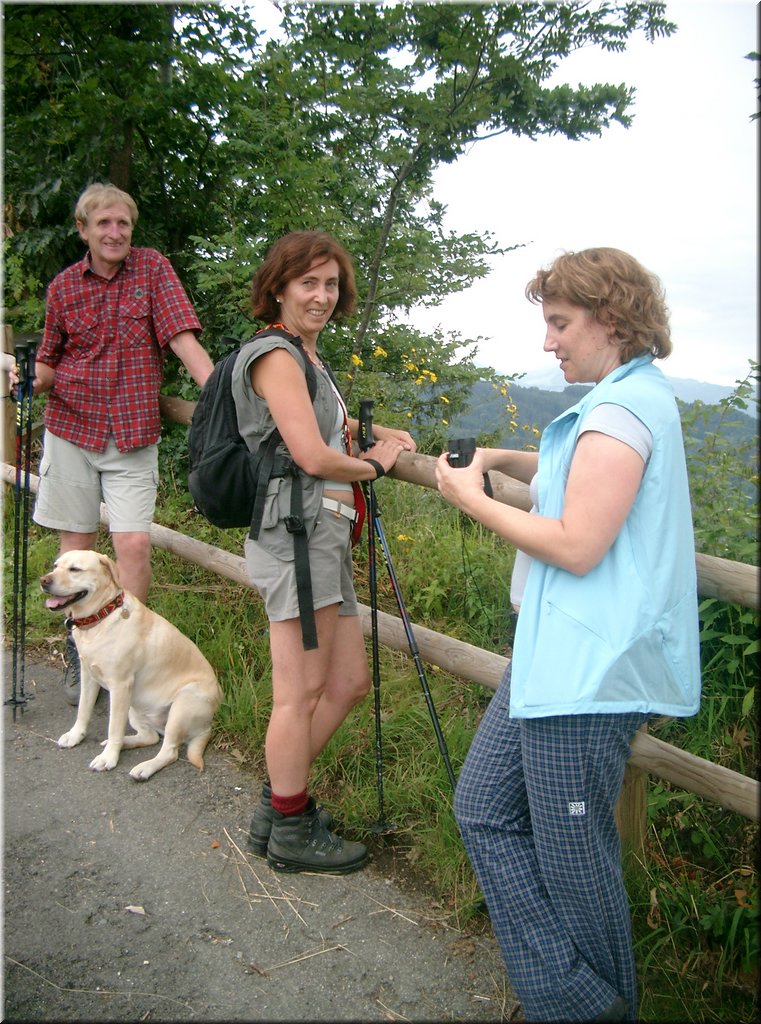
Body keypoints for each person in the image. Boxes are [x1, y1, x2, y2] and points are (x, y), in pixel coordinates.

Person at [435, 248, 700, 1022]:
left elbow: (579, 541)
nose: (548, 342)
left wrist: (466, 497)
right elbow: (575, 471)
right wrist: (495, 456)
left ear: (610, 322)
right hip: (556, 656)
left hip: (590, 668)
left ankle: (590, 1010)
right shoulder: (624, 398)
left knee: (574, 860)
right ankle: (570, 997)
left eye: (558, 324)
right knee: (482, 809)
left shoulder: (621, 410)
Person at [232, 230, 415, 874]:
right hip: (296, 536)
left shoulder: (307, 357)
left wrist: (372, 431)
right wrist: (377, 464)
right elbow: (310, 456)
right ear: (278, 287)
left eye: (331, 284)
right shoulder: (275, 356)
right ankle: (288, 825)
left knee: (347, 681)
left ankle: (276, 804)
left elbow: (315, 427)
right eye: (308, 282)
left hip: (323, 536)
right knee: (301, 690)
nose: (322, 295)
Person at [12, 182, 214, 702]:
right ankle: (88, 661)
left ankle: (128, 654)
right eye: (104, 223)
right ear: (83, 229)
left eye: (123, 223)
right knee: (74, 551)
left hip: (131, 432)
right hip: (71, 429)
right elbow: (50, 364)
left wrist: (220, 398)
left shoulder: (152, 269)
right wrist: (23, 379)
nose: (115, 232)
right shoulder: (63, 288)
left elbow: (181, 338)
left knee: (133, 546)